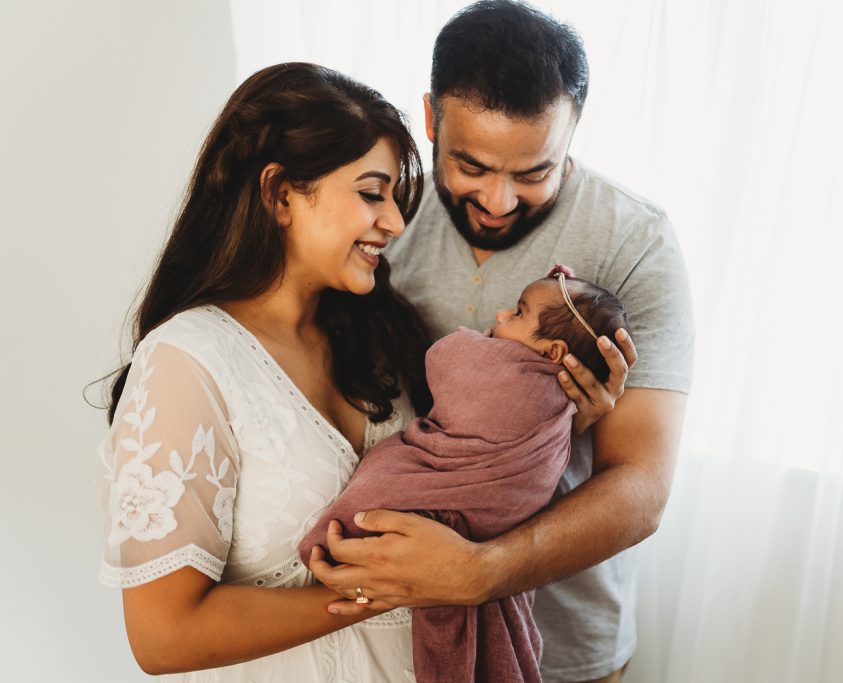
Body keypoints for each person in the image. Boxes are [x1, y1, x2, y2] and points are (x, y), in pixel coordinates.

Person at [312, 2, 695, 682]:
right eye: (472, 166)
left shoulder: (635, 242)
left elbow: (642, 485)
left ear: (573, 131)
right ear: (431, 120)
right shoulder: (385, 219)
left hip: (567, 651)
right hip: (393, 637)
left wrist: (480, 571)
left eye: (533, 173)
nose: (498, 201)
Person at [97, 62, 438, 680]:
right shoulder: (189, 362)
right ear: (280, 194)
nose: (394, 222)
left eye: (394, 198)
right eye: (372, 193)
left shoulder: (383, 337)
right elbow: (163, 636)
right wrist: (383, 590)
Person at [299, 266, 632, 683]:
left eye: (517, 313)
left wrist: (479, 572)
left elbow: (445, 359)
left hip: (570, 619)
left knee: (390, 480)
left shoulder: (526, 382)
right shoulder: (383, 258)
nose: (500, 315)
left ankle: (344, 536)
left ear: (553, 353)